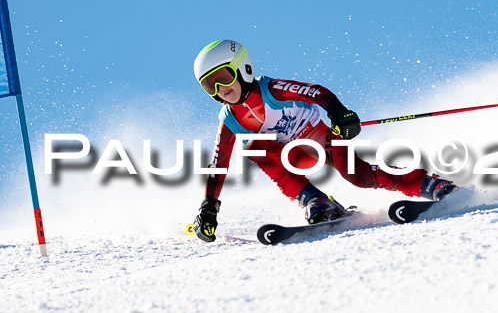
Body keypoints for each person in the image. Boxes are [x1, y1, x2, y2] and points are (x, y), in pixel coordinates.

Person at [191, 40, 457, 242]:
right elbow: (218, 164)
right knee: (254, 148)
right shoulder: (229, 118)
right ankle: (316, 202)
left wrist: (338, 112)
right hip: (292, 154)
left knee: (359, 176)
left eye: (223, 78)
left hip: (321, 138)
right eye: (209, 85)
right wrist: (209, 206)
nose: (220, 89)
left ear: (242, 68)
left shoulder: (270, 89)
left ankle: (430, 184)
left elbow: (315, 92)